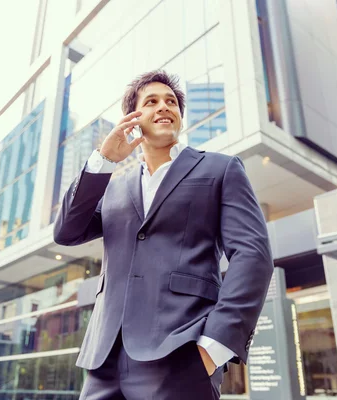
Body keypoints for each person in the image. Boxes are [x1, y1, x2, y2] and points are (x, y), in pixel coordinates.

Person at [54, 70, 274, 400]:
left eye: (171, 101)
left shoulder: (219, 169)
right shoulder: (113, 188)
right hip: (104, 359)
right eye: (151, 102)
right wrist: (104, 160)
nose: (164, 107)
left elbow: (253, 256)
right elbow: (66, 231)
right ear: (133, 118)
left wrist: (214, 347)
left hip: (181, 353)